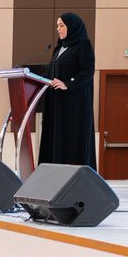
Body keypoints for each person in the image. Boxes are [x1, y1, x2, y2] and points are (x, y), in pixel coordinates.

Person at [38, 13, 97, 170]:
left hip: (74, 105)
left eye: (62, 25)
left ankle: (73, 175)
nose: (58, 29)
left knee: (70, 139)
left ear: (72, 26)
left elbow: (88, 72)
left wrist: (67, 84)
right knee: (55, 138)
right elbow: (52, 73)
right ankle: (53, 173)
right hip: (57, 103)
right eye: (57, 25)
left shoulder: (83, 45)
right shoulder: (59, 48)